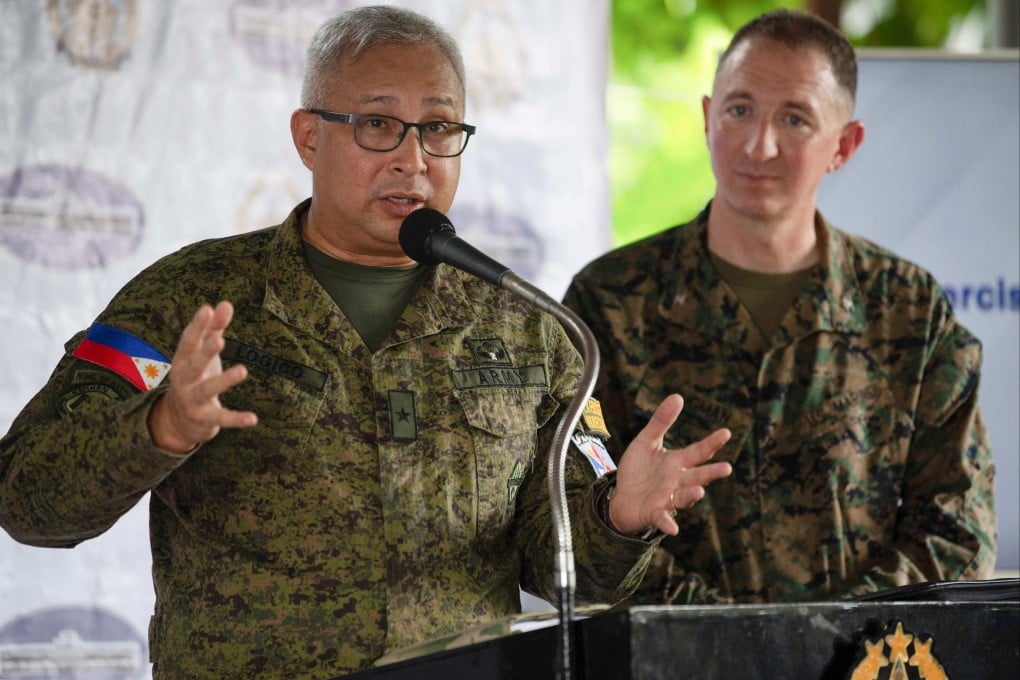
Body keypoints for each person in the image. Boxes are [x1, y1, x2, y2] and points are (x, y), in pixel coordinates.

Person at [0, 5, 733, 677]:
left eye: (440, 127)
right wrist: (159, 429)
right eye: (379, 124)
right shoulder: (192, 298)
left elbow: (567, 573)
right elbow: (29, 501)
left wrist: (618, 517)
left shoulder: (529, 328)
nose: (412, 158)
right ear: (309, 136)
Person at [562, 9, 996, 605]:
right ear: (708, 117)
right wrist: (735, 642)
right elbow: (572, 528)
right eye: (739, 110)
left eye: (794, 118)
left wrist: (825, 640)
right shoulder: (607, 302)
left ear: (843, 145)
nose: (758, 145)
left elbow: (956, 536)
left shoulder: (910, 312)